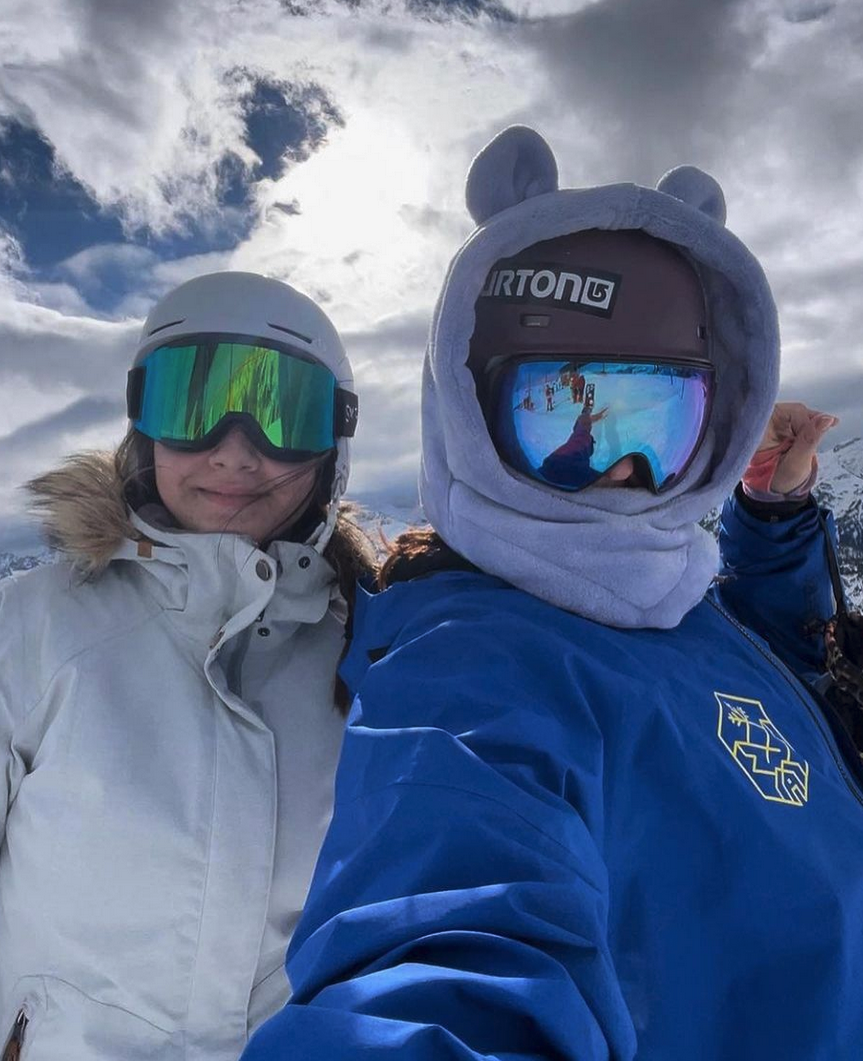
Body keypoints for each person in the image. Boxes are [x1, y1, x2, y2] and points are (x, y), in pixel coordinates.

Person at [240, 127, 863, 1061]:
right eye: (558, 416)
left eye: (661, 418)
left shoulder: (665, 594)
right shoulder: (473, 666)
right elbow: (448, 934)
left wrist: (771, 515)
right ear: (470, 414)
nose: (619, 468)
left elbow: (754, 657)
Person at [0, 271, 375, 1061]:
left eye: (281, 412)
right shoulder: (36, 623)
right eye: (191, 406)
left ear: (332, 441)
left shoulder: (370, 654)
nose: (235, 452)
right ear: (143, 425)